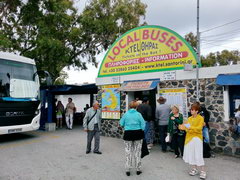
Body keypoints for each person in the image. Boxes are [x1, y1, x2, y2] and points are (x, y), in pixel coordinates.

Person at [179, 103, 207, 179]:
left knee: (198, 154)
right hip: (189, 139)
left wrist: (190, 128)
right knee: (191, 154)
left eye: (192, 110)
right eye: (191, 109)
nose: (191, 111)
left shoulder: (200, 118)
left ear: (197, 111)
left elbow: (199, 128)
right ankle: (194, 169)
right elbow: (185, 128)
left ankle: (203, 171)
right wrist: (185, 127)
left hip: (197, 138)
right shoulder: (189, 118)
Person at [120, 101, 145, 176]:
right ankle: (138, 169)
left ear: (129, 107)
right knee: (137, 152)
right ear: (136, 107)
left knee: (128, 152)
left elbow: (121, 123)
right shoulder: (139, 114)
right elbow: (143, 125)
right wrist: (140, 129)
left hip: (128, 134)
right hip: (138, 133)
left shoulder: (126, 114)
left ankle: (128, 169)